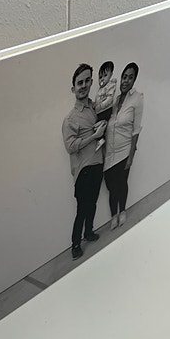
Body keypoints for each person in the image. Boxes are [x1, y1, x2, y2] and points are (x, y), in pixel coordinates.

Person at [62, 64, 107, 260]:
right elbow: (70, 146)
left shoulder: (96, 108)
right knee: (82, 209)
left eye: (87, 81)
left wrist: (103, 124)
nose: (84, 85)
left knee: (93, 203)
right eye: (80, 83)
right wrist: (94, 136)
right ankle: (75, 244)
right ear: (73, 88)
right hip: (83, 171)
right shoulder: (70, 119)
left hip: (97, 163)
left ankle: (89, 232)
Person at [104, 62, 143, 230]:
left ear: (134, 80)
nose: (126, 81)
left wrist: (131, 157)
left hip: (125, 149)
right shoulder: (115, 100)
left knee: (121, 182)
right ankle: (114, 214)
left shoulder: (137, 98)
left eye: (130, 77)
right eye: (124, 77)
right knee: (111, 185)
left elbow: (136, 129)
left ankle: (122, 212)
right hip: (110, 152)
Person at [94, 61, 117, 152]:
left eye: (105, 75)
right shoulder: (101, 88)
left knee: (100, 125)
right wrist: (95, 105)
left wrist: (101, 105)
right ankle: (101, 139)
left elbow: (110, 99)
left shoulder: (110, 86)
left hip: (106, 110)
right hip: (100, 110)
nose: (102, 79)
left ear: (111, 75)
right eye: (100, 77)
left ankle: (101, 139)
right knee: (96, 126)